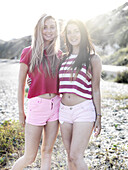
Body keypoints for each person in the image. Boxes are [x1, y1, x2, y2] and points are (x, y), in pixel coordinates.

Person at [12, 14, 61, 170]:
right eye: (45, 27)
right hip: (37, 106)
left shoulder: (59, 55)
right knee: (30, 157)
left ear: (56, 29)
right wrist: (21, 113)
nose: (48, 31)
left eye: (52, 27)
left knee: (47, 152)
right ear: (38, 30)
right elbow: (20, 85)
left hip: (56, 106)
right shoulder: (28, 52)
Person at [58, 19, 102, 170]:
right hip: (63, 112)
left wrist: (99, 116)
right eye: (69, 32)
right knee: (69, 157)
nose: (73, 35)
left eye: (76, 31)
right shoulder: (62, 58)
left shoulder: (93, 59)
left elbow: (95, 89)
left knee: (76, 156)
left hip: (83, 110)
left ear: (83, 33)